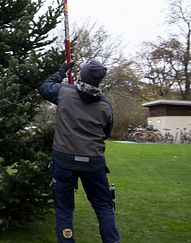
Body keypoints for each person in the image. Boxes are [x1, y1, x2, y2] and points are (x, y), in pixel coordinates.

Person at [38, 60, 120, 243]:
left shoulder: (64, 92)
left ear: (81, 76)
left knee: (64, 210)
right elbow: (105, 133)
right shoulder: (105, 106)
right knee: (104, 207)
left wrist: (62, 70)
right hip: (93, 164)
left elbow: (44, 87)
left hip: (63, 162)